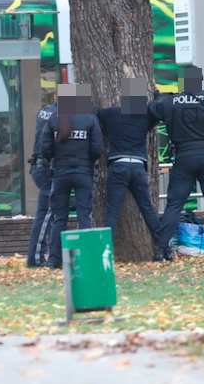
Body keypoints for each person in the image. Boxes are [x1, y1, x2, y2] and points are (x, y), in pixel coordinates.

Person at [149, 67, 204, 261]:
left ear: (182, 81)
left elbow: (153, 110)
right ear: (201, 80)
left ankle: (160, 250)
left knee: (174, 205)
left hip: (184, 157)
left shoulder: (170, 102)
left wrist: (157, 96)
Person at [95, 78, 165, 260]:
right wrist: (157, 93)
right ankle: (164, 250)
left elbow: (94, 113)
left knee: (111, 214)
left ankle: (104, 253)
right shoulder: (145, 116)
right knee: (148, 210)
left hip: (118, 166)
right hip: (138, 167)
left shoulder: (112, 114)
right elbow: (159, 110)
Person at [42, 83, 103, 269]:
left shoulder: (53, 120)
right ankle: (86, 258)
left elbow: (45, 149)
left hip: (60, 173)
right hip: (83, 173)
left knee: (59, 218)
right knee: (84, 216)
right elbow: (97, 149)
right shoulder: (89, 119)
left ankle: (54, 259)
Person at [26, 94, 57, 268]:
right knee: (46, 212)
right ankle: (36, 258)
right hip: (46, 168)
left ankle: (50, 256)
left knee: (50, 214)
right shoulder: (58, 115)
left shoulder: (45, 110)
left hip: (39, 167)